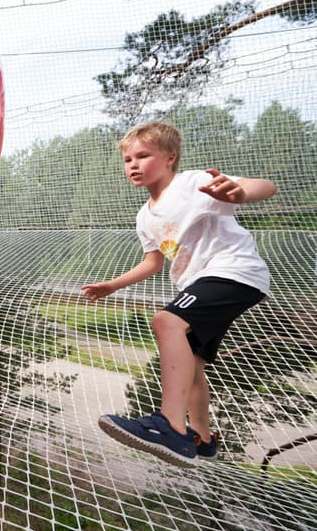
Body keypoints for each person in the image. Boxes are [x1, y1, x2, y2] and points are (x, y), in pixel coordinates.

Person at [81, 121, 277, 467]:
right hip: (201, 283)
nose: (133, 165)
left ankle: (171, 427)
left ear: (170, 158)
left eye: (143, 156)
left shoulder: (191, 183)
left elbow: (266, 186)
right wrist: (112, 285)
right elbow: (153, 262)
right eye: (127, 160)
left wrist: (240, 192)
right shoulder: (144, 216)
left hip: (234, 271)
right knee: (192, 364)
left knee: (166, 321)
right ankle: (202, 438)